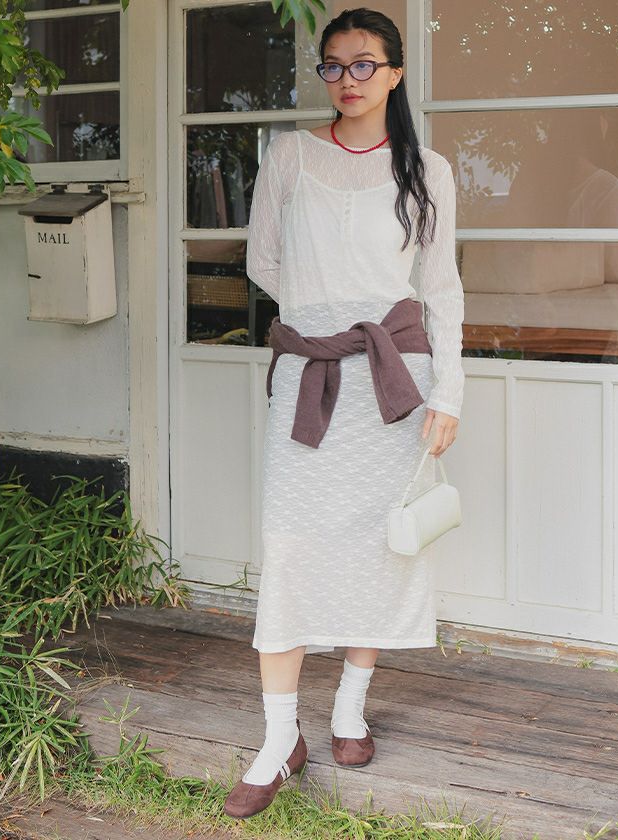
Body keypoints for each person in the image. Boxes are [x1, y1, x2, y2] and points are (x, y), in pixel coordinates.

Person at [224, 6, 465, 819]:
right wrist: (322, 316)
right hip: (310, 373)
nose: (348, 79)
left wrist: (449, 393)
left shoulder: (427, 169)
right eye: (333, 65)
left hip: (394, 385)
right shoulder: (290, 155)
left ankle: (350, 709)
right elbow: (263, 260)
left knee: (379, 548)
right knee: (289, 548)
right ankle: (278, 738)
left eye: (364, 64)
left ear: (394, 74)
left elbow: (441, 290)